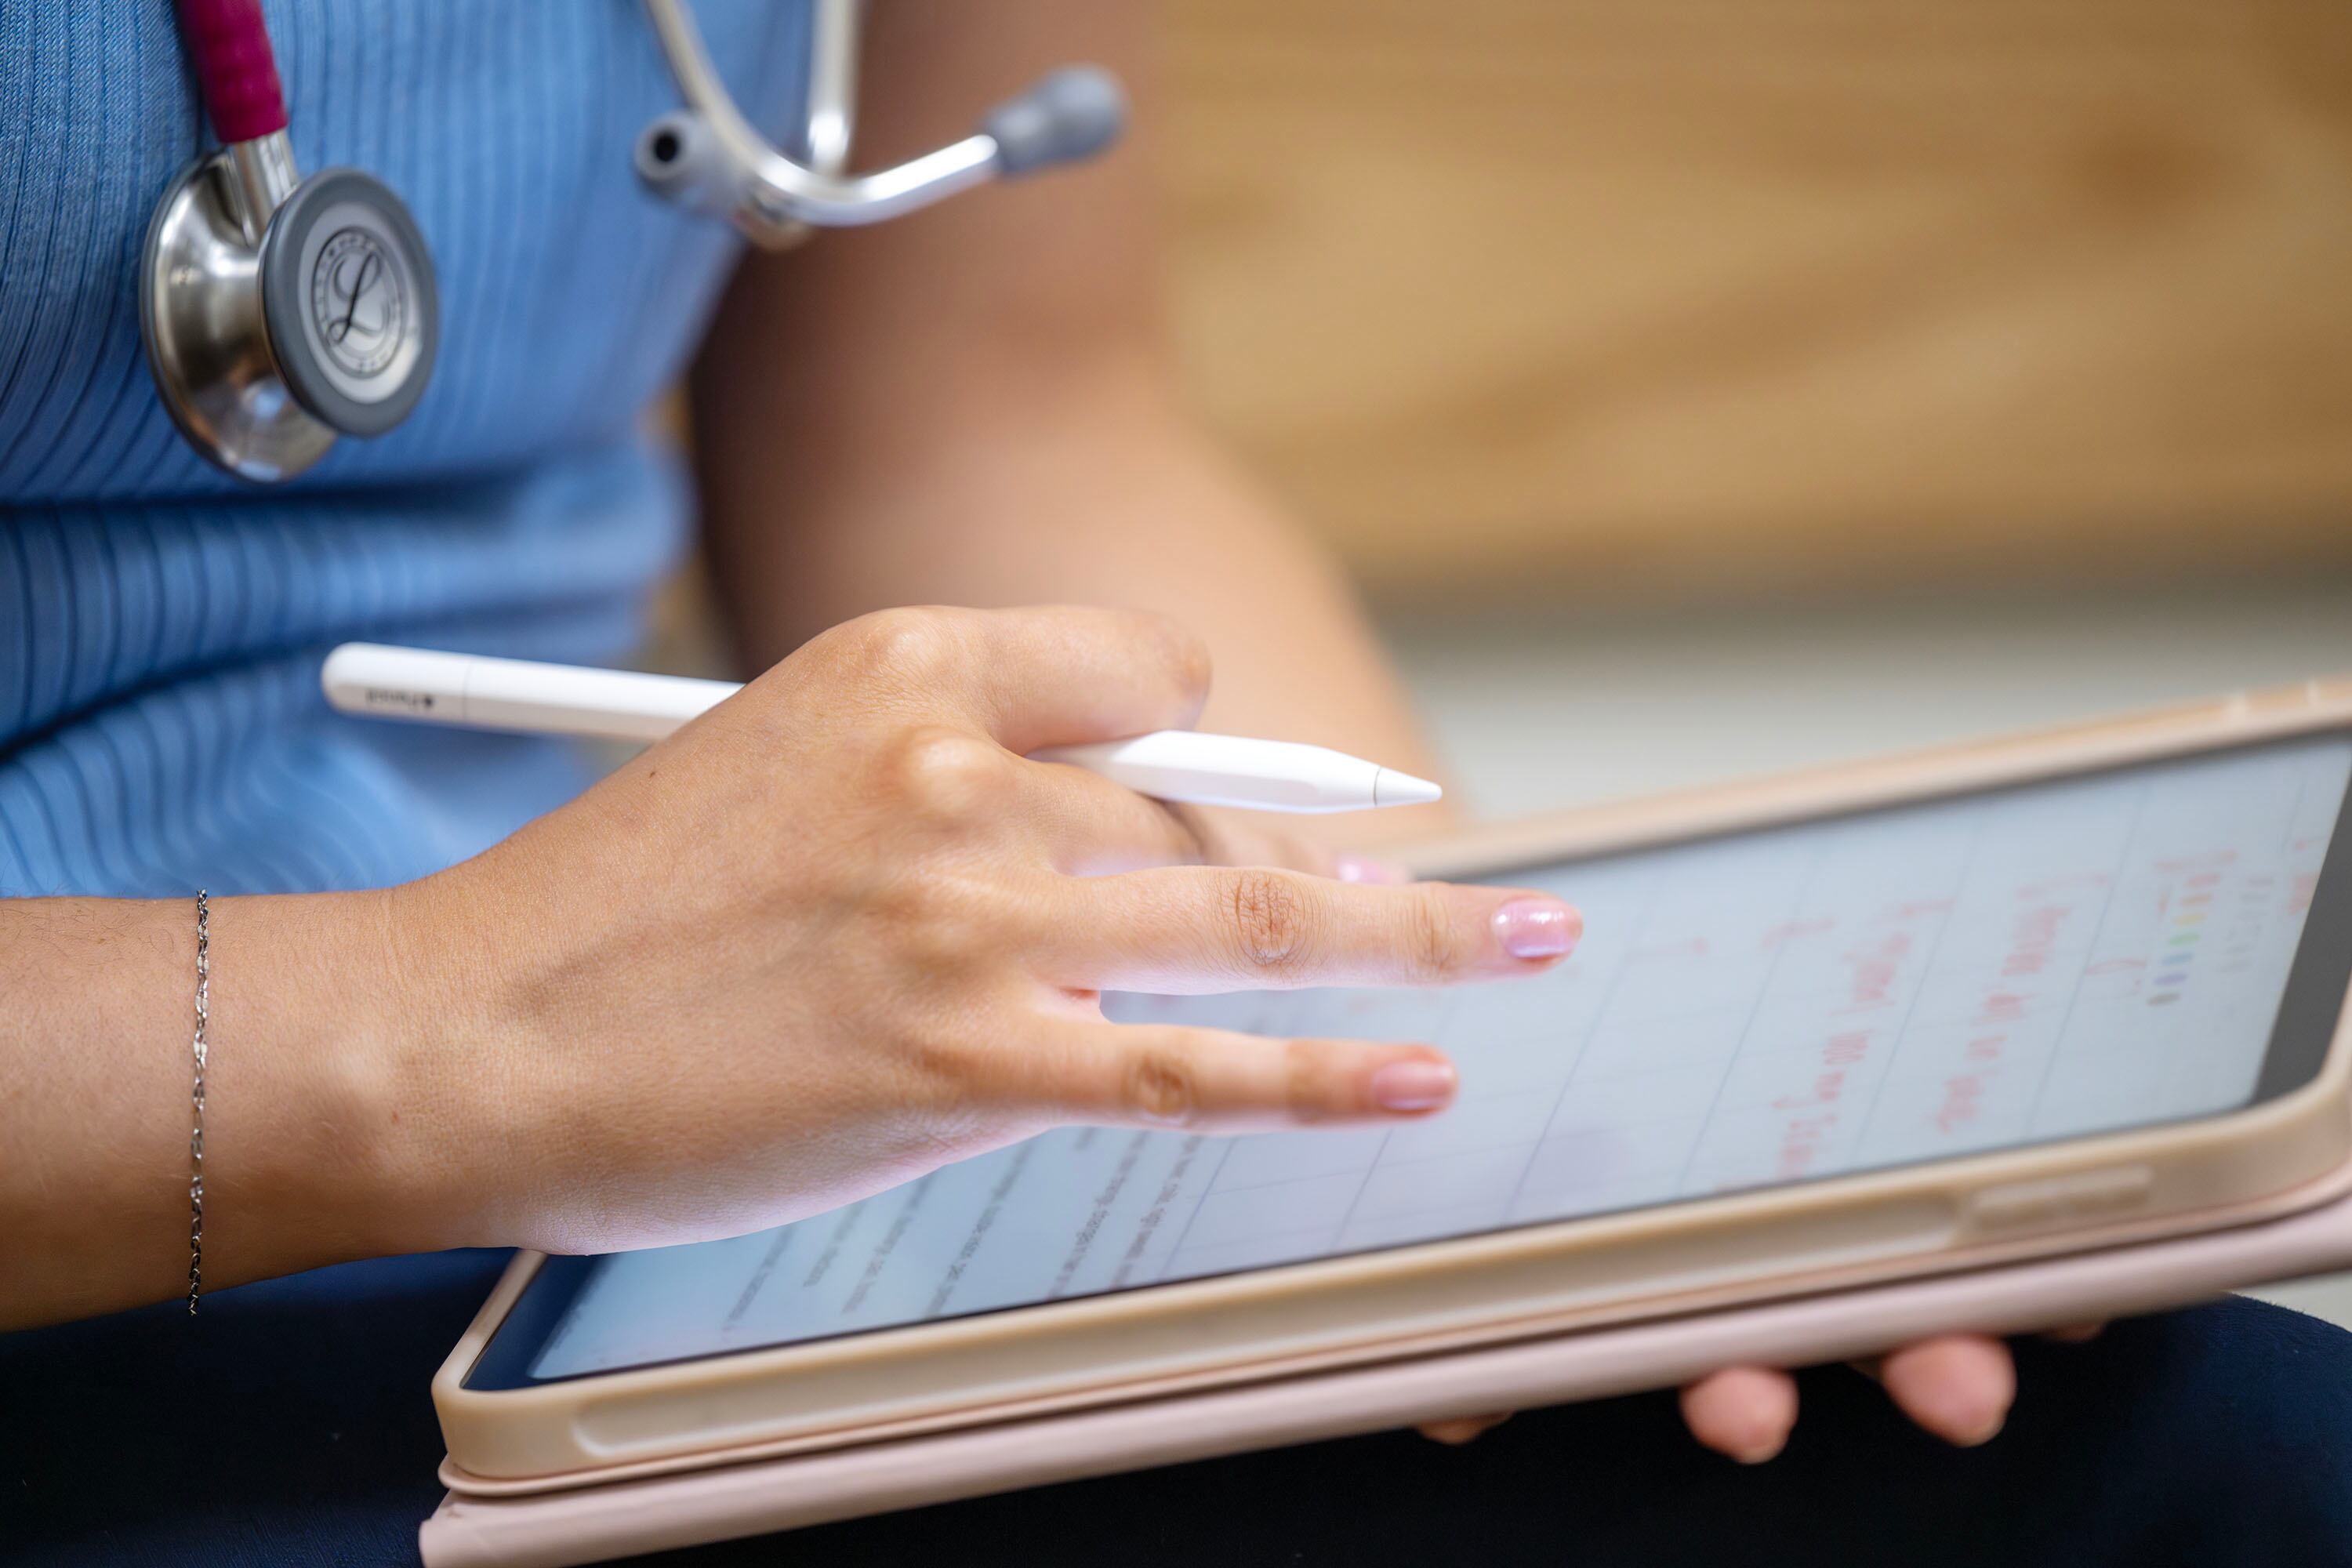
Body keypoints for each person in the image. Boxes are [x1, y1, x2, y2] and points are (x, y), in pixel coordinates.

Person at [2, 4, 2347, 1564]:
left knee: (2162, 1473)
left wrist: (1479, 1124)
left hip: (654, 1177)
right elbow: (503, 1022)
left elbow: (993, 412)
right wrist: (448, 1022)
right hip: (162, 1213)